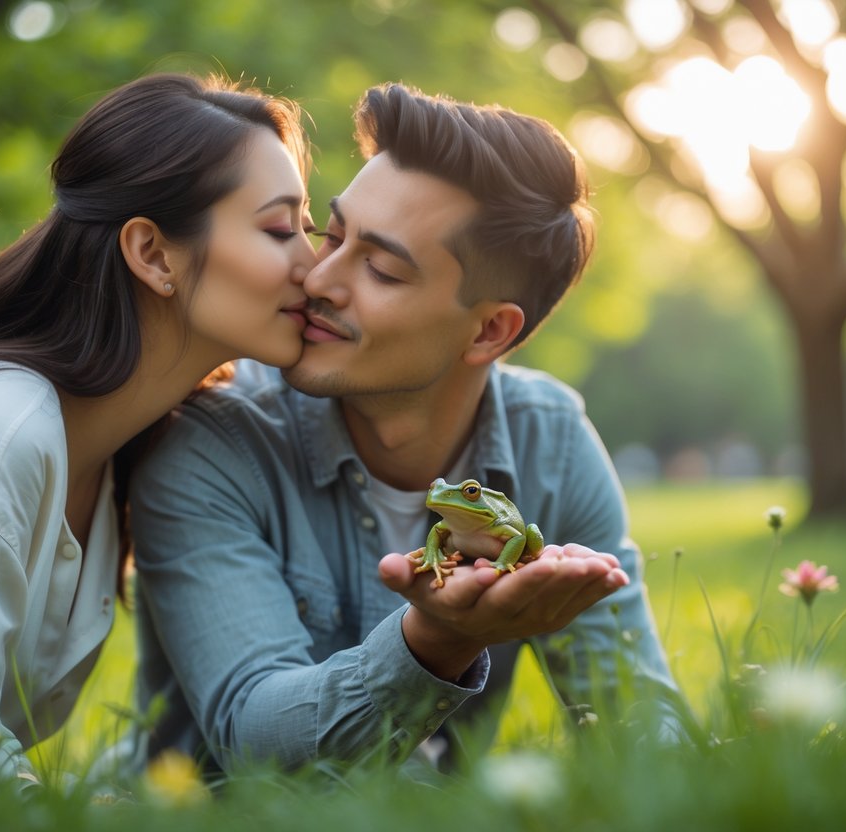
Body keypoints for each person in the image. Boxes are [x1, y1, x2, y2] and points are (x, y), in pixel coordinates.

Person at [130, 82, 683, 776]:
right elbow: (252, 736)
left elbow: (638, 726)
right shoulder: (212, 437)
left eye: (382, 268)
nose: (318, 278)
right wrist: (435, 642)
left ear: (487, 331)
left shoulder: (553, 444)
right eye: (329, 235)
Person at [0, 73, 317, 793]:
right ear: (152, 254)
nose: (315, 263)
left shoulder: (124, 447)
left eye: (308, 228)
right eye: (278, 229)